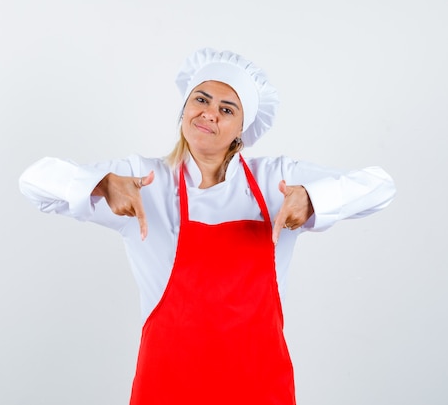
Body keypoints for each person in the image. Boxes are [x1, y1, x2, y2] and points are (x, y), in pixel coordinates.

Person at [19, 48, 396, 404]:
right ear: (184, 109)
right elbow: (35, 181)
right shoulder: (144, 181)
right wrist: (101, 183)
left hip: (259, 389)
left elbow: (380, 187)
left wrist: (314, 199)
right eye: (201, 99)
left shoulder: (274, 181)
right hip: (166, 388)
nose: (209, 113)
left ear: (241, 130)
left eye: (226, 108)